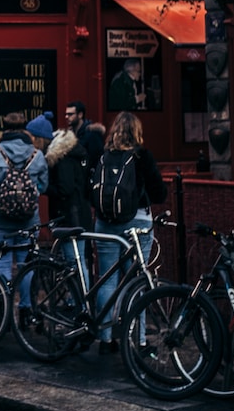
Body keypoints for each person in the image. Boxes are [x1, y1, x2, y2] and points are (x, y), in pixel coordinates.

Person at [89, 111, 168, 348]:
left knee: (107, 280)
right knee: (136, 281)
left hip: (104, 223)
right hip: (137, 222)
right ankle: (138, 340)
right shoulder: (142, 156)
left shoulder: (102, 155)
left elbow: (90, 189)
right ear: (137, 131)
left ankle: (105, 339)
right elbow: (159, 193)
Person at [0, 111, 48, 285]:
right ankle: (26, 309)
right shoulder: (37, 154)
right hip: (28, 219)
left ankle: (4, 307)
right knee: (26, 265)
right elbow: (43, 185)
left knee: (2, 263)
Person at [44, 103, 99, 232]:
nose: (66, 117)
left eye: (70, 114)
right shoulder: (68, 140)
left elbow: (95, 160)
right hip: (78, 203)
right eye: (65, 114)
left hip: (76, 204)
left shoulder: (90, 135)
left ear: (80, 115)